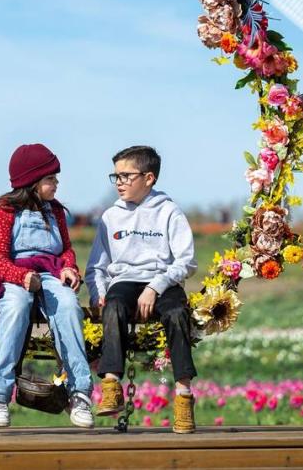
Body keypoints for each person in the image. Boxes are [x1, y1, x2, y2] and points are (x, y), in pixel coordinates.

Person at [0, 143, 94, 428]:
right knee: (16, 306)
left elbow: (66, 249)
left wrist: (69, 268)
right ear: (32, 181)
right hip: (15, 273)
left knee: (68, 306)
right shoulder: (3, 211)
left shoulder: (56, 212)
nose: (56, 183)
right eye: (51, 178)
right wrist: (22, 278)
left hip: (50, 272)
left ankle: (80, 392)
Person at [84, 145, 198, 433]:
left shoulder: (169, 212)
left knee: (176, 314)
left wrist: (155, 287)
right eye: (116, 176)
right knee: (114, 306)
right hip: (124, 281)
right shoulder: (111, 217)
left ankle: (183, 395)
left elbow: (187, 261)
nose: (119, 182)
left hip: (163, 280)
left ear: (149, 178)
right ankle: (111, 382)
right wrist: (98, 292)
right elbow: (96, 265)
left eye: (126, 175)